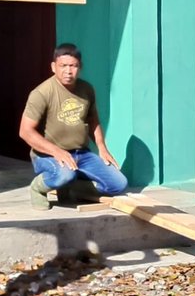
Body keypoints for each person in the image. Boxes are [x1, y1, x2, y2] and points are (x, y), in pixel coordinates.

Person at [21, 44, 129, 209]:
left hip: (81, 154)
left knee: (119, 184)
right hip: (48, 155)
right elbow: (25, 131)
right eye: (63, 66)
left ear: (80, 67)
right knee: (64, 175)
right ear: (53, 67)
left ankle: (71, 186)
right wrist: (56, 151)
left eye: (73, 66)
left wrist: (102, 147)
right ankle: (38, 188)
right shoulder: (41, 93)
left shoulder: (86, 89)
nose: (68, 71)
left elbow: (93, 120)